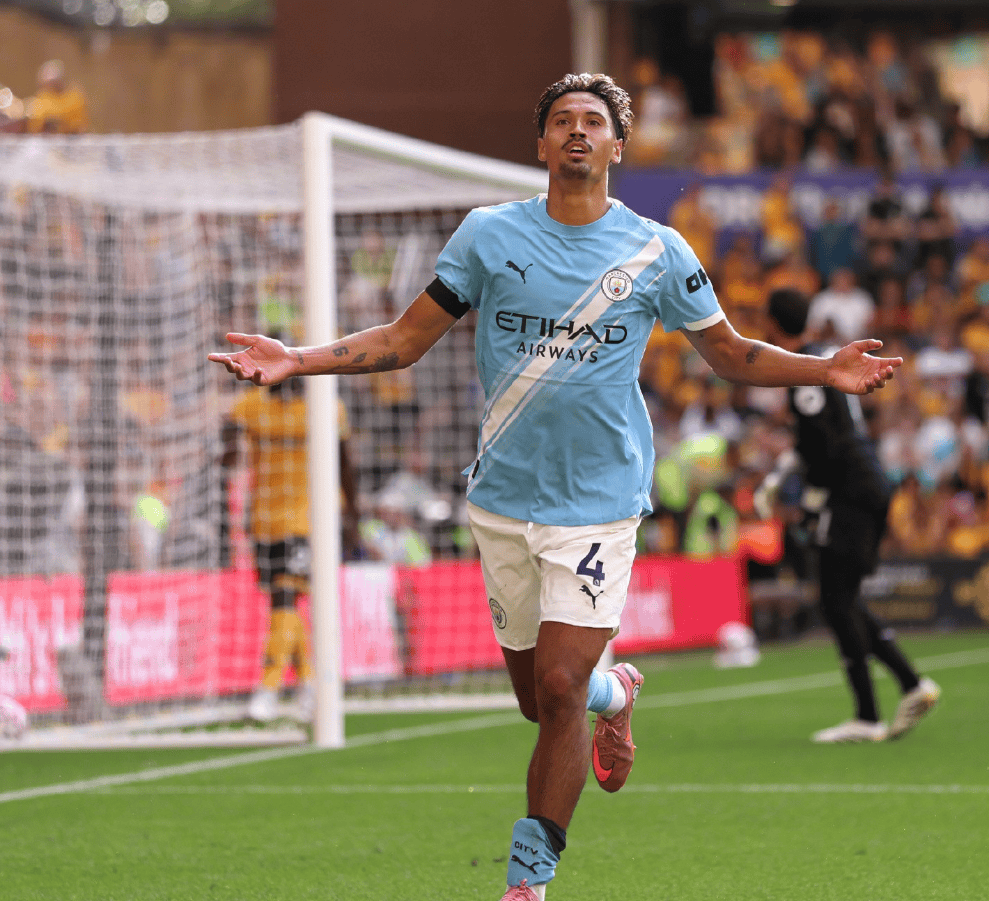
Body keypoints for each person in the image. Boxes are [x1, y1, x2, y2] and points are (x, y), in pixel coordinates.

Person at [210, 73, 902, 900]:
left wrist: (823, 367)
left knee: (560, 683)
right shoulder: (488, 235)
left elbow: (731, 353)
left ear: (618, 145)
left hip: (600, 504)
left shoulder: (656, 250)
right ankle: (620, 690)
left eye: (594, 122)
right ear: (541, 144)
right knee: (542, 703)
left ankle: (527, 882)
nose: (578, 130)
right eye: (563, 120)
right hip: (503, 500)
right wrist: (298, 358)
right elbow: (404, 338)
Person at [760, 287, 937, 745]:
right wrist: (787, 475)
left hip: (850, 492)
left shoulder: (806, 370)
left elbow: (825, 443)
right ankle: (909, 685)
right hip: (864, 486)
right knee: (843, 598)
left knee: (836, 600)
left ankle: (870, 714)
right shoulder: (824, 357)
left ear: (773, 325)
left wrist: (807, 495)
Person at [221, 372, 361, 723]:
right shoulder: (249, 408)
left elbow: (345, 462)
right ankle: (308, 684)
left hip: (311, 519)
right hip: (264, 518)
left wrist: (353, 515)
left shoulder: (326, 408)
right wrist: (229, 438)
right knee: (283, 604)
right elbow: (228, 455)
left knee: (285, 595)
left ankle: (268, 689)